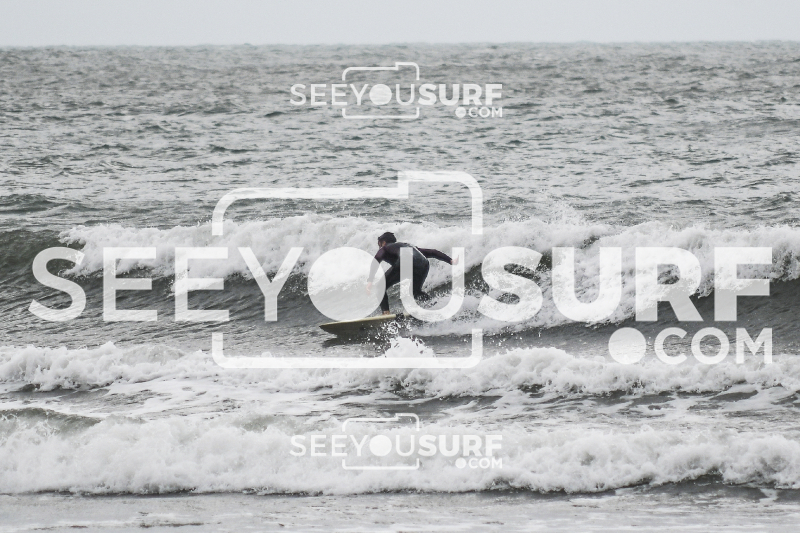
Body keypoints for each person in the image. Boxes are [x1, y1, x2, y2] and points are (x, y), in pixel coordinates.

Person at [366, 231, 458, 315]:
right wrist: (450, 261)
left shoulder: (385, 248)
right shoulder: (408, 246)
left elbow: (375, 261)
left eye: (379, 244)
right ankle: (434, 305)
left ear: (384, 242)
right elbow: (433, 252)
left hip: (405, 262)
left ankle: (386, 314)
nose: (379, 247)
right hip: (423, 264)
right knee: (415, 292)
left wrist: (370, 281)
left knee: (380, 286)